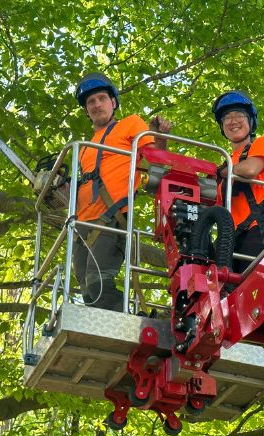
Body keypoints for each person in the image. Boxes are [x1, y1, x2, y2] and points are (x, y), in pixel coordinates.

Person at [71, 72, 171, 311]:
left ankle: (129, 320)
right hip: (83, 223)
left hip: (111, 217)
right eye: (91, 102)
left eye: (101, 98)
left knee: (98, 283)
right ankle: (111, 322)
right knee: (85, 287)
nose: (96, 105)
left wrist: (160, 138)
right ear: (86, 110)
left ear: (113, 102)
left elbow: (156, 163)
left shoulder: (131, 124)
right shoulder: (85, 148)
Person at [212, 90, 264, 273]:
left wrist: (222, 172)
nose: (233, 121)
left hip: (256, 231)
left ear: (251, 121)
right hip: (228, 239)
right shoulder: (224, 165)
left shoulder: (262, 144)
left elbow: (250, 169)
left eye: (239, 115)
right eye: (226, 117)